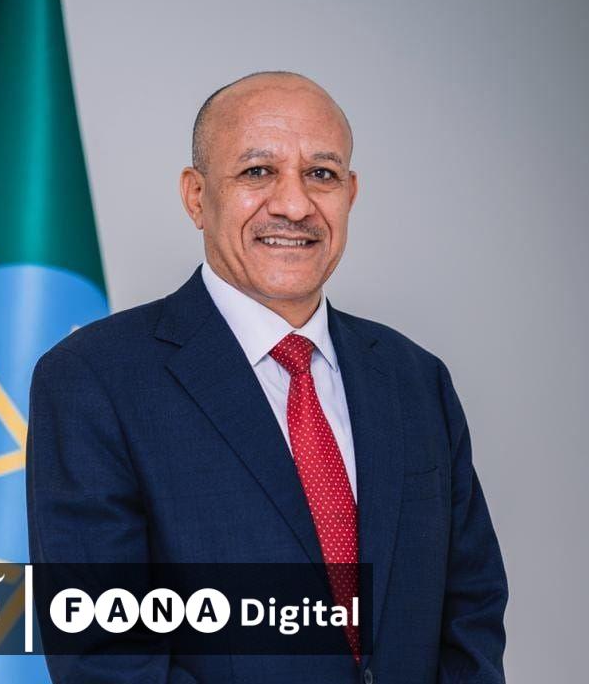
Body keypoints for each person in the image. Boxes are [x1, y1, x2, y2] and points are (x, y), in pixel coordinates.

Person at [26, 71, 508, 683]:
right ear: (196, 196)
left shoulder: (416, 380)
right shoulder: (94, 380)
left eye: (321, 174)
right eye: (258, 171)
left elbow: (471, 610)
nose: (295, 205)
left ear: (350, 193)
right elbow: (105, 654)